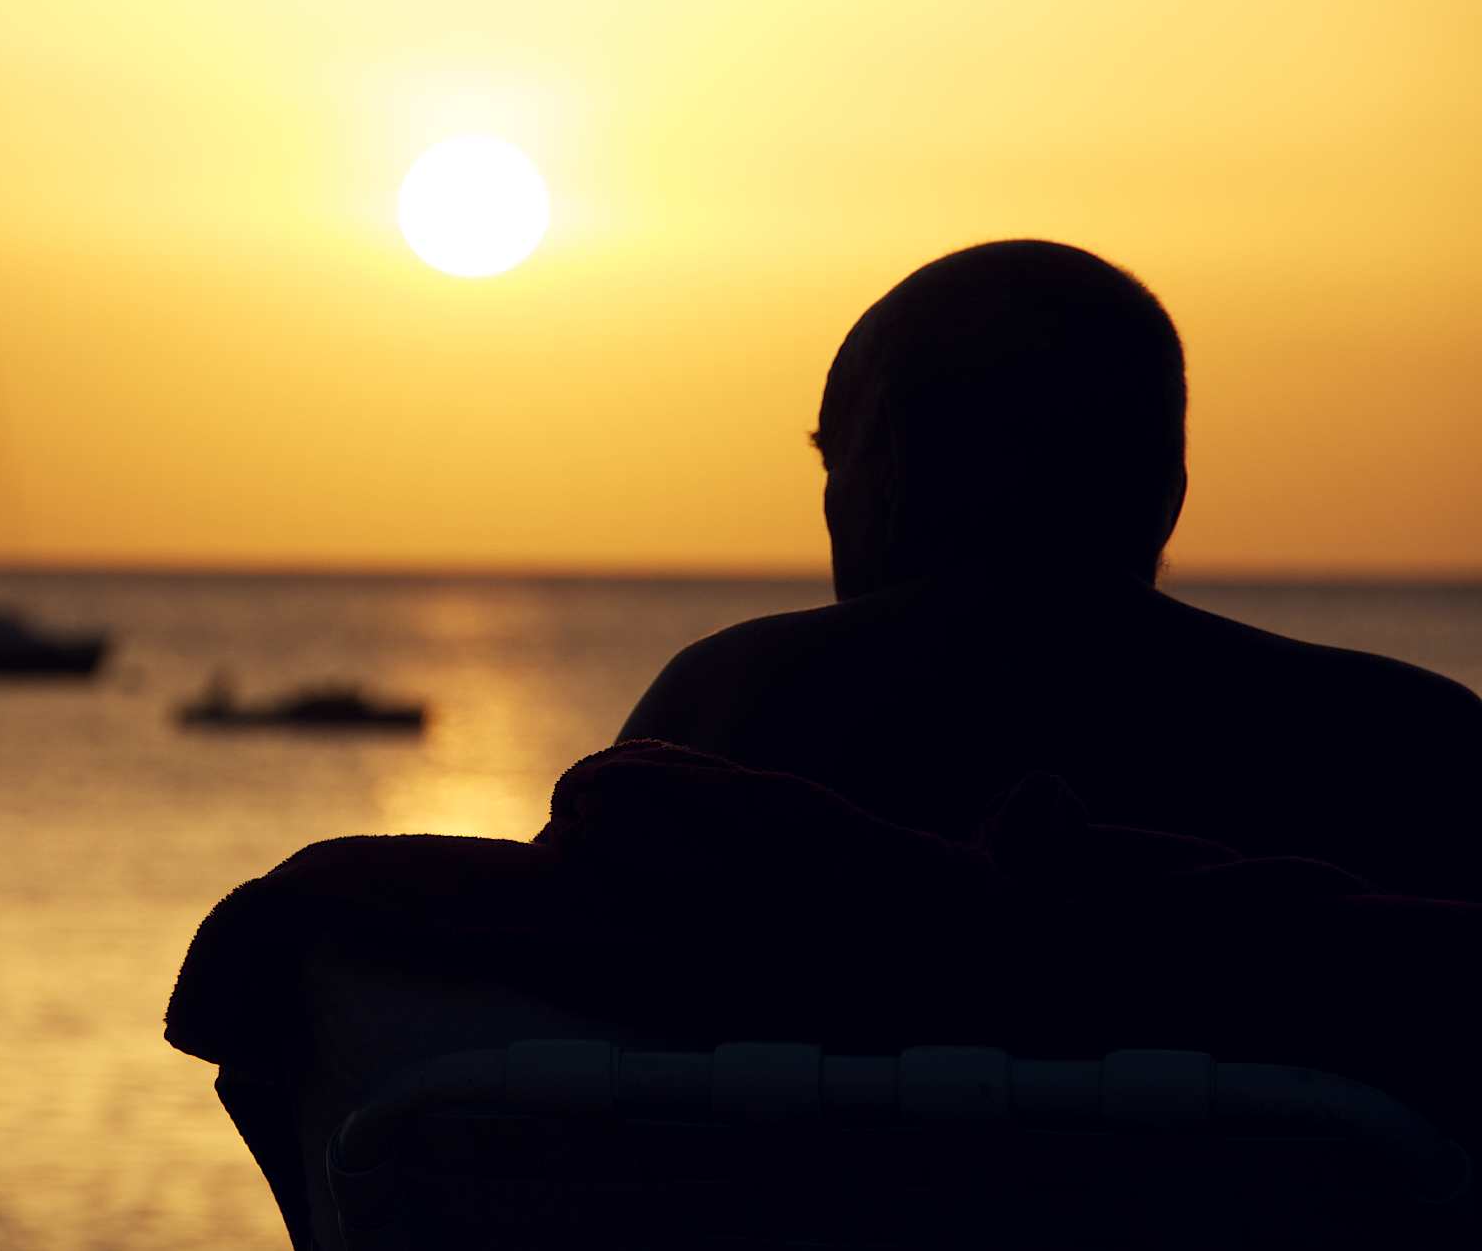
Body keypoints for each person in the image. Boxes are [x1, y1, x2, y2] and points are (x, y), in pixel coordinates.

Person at [620, 240, 1482, 899]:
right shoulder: (1414, 742)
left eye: (830, 464)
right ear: (1167, 497)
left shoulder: (728, 715)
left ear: (882, 471)